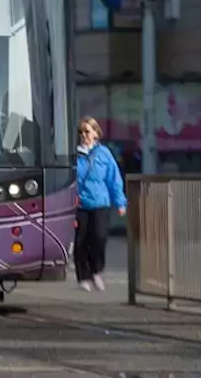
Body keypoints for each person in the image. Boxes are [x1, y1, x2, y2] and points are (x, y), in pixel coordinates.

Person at [74, 116, 126, 291]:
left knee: (99, 237)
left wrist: (120, 202)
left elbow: (114, 179)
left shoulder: (104, 154)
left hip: (100, 202)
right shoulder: (74, 155)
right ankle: (83, 276)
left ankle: (97, 270)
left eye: (87, 131)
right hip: (80, 204)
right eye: (80, 132)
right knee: (81, 241)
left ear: (96, 133)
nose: (84, 135)